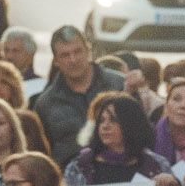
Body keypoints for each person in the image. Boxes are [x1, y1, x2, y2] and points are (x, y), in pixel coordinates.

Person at [29, 24, 121, 158]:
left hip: (120, 172)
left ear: (88, 51)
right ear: (56, 61)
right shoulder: (45, 104)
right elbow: (41, 154)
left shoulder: (118, 86)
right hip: (71, 174)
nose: (73, 60)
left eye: (77, 51)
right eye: (65, 55)